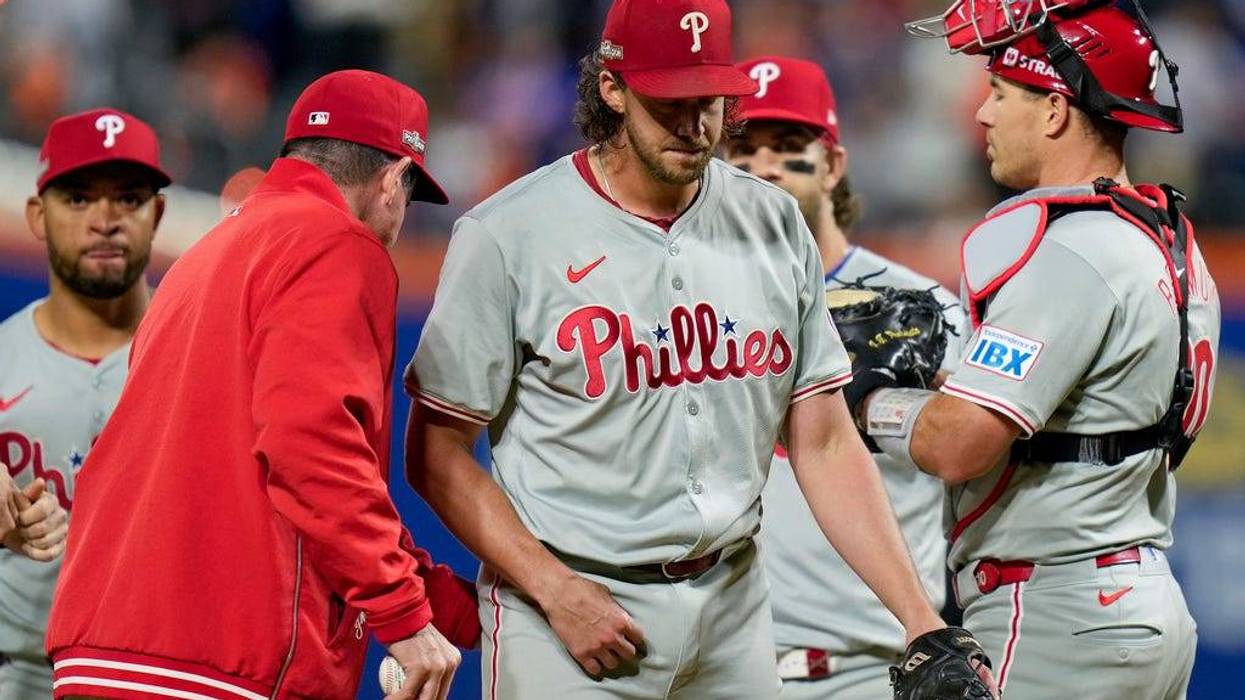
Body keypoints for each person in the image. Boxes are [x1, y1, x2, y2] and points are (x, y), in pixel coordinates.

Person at [403, 1, 981, 698]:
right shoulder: (509, 235)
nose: (693, 121)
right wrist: (554, 590)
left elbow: (824, 442)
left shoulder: (770, 222)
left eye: (707, 98)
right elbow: (436, 454)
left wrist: (920, 622)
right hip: (569, 607)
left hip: (732, 605)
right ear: (611, 89)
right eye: (668, 99)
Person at [45, 70, 478, 700]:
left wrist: (470, 614)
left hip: (106, 650)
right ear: (393, 179)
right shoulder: (337, 244)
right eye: (410, 195)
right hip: (219, 659)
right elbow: (313, 449)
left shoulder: (207, 255)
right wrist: (402, 616)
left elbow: (302, 485)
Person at [844, 2, 1219, 697]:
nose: (980, 114)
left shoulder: (1071, 250)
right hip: (1136, 599)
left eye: (997, 93)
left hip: (1055, 610)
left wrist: (869, 399)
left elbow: (958, 445)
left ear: (1053, 110)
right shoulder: (1166, 239)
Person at [724, 55, 963, 699]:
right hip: (716, 667)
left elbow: (976, 455)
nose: (764, 166)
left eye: (788, 146)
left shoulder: (923, 307)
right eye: (742, 148)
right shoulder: (689, 306)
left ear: (832, 164)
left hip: (864, 669)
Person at [0, 108, 154, 699]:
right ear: (38, 215)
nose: (106, 220)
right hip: (20, 672)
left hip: (158, 677)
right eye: (79, 198)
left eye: (130, 199)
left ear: (158, 214)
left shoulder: (208, 358)